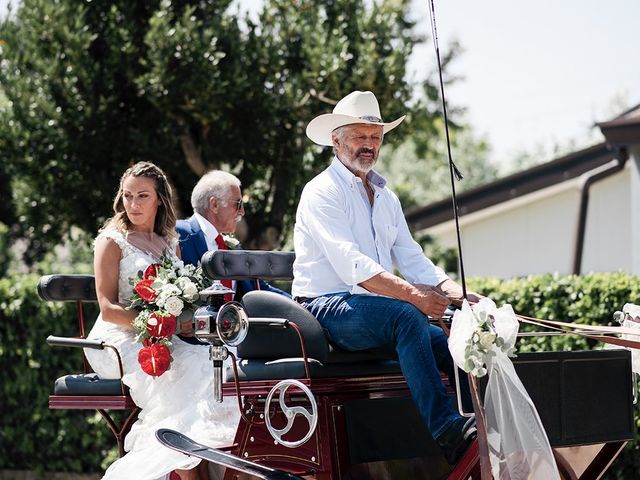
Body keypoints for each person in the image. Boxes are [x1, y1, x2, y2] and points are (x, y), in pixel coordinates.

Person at [292, 91, 479, 465]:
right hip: (322, 309)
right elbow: (353, 266)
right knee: (408, 316)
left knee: (454, 336)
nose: (368, 146)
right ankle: (447, 430)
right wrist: (414, 296)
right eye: (360, 137)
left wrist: (458, 294)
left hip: (370, 308)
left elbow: (411, 257)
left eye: (375, 137)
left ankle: (481, 423)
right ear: (337, 139)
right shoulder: (321, 192)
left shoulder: (384, 194)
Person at [85, 162, 239, 480]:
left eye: (143, 196)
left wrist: (179, 321)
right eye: (127, 196)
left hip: (162, 333)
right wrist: (154, 323)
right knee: (183, 375)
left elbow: (180, 299)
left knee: (216, 361)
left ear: (159, 200)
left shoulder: (169, 242)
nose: (133, 204)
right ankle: (189, 472)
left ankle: (219, 462)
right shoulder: (111, 242)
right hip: (117, 338)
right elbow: (108, 308)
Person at [176, 170, 289, 300]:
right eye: (238, 204)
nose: (242, 212)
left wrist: (302, 306)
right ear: (215, 205)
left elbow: (260, 289)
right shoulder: (179, 233)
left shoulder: (232, 246)